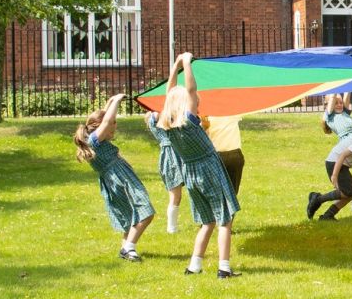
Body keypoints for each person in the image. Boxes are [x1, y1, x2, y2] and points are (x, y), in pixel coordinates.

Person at [156, 53, 242, 278]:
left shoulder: (169, 127)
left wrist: (175, 68)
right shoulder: (190, 123)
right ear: (186, 104)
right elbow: (192, 91)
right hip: (209, 170)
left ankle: (194, 265)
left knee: (207, 221)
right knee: (225, 220)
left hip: (191, 174)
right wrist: (186, 62)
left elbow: (169, 96)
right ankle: (224, 267)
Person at [75, 93, 154, 262]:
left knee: (128, 214)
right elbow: (106, 121)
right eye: (114, 123)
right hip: (119, 178)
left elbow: (103, 118)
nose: (114, 126)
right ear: (100, 126)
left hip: (113, 179)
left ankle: (127, 249)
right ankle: (128, 248)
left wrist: (110, 102)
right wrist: (117, 101)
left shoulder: (92, 138)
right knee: (146, 211)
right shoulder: (96, 140)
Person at [145, 109, 187, 233]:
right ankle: (172, 228)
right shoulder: (155, 116)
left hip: (181, 153)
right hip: (171, 158)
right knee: (175, 196)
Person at [203, 115, 244, 198]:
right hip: (234, 155)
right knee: (232, 196)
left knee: (217, 195)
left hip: (216, 155)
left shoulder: (206, 116)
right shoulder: (233, 113)